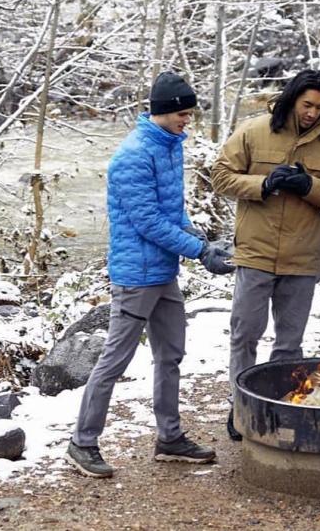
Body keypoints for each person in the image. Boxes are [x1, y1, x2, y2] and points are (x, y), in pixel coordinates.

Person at [66, 71, 232, 478]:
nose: (188, 121)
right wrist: (198, 251)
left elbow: (171, 211)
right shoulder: (133, 155)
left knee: (171, 355)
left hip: (163, 273)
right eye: (184, 114)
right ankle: (82, 443)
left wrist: (198, 234)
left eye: (191, 115)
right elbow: (147, 222)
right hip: (136, 276)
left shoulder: (169, 146)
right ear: (165, 111)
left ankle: (169, 438)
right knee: (113, 362)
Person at [211, 69, 320, 441]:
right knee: (245, 335)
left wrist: (309, 186)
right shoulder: (254, 130)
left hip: (302, 258)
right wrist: (263, 183)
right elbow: (221, 177)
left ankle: (279, 406)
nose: (313, 113)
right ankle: (240, 406)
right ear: (292, 99)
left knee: (290, 343)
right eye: (307, 105)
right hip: (255, 253)